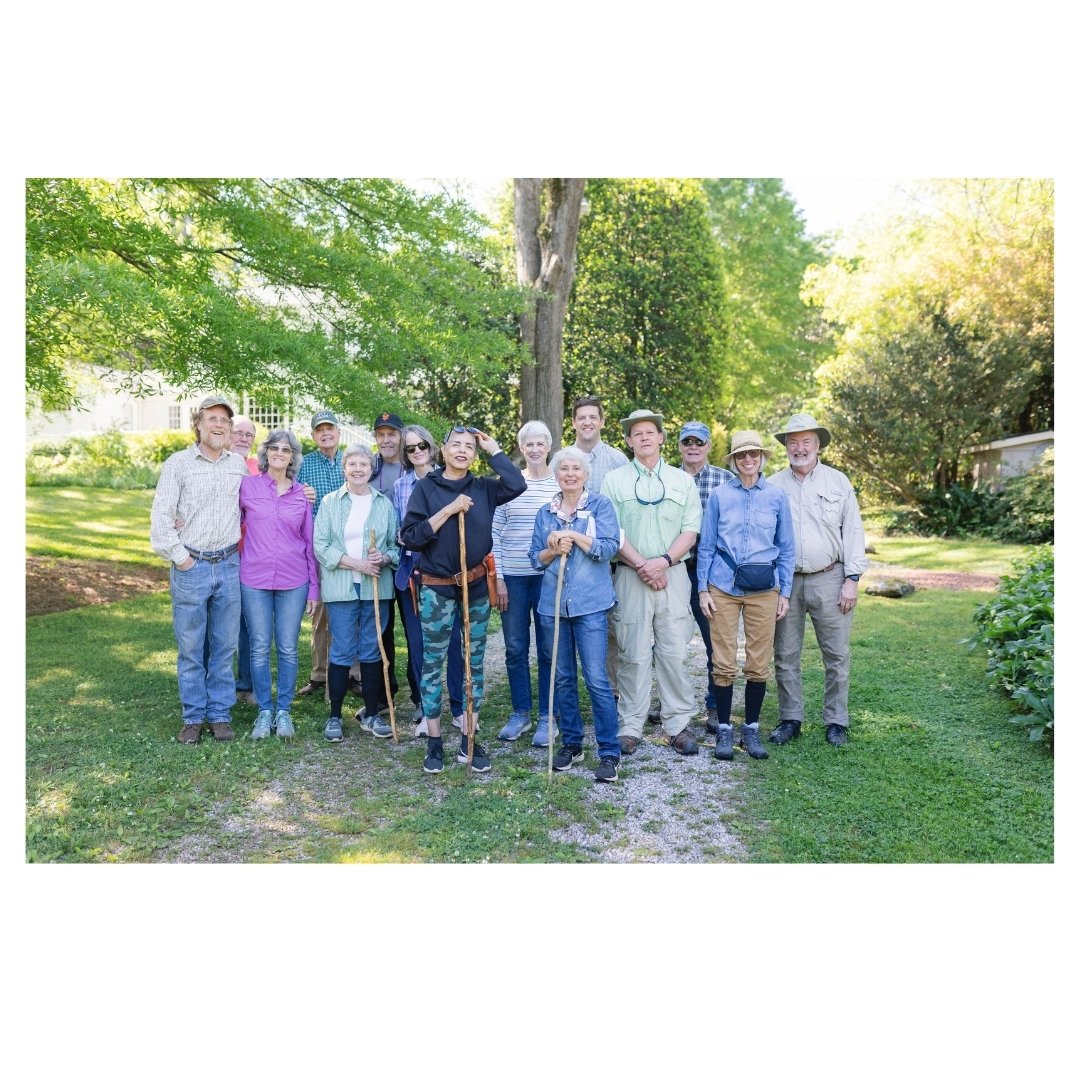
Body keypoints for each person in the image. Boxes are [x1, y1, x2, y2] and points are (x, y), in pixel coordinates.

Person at [400, 425, 527, 775]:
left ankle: (470, 738)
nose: (462, 450)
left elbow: (517, 484)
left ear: (474, 454)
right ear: (443, 450)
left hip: (474, 586)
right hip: (436, 587)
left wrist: (495, 449)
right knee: (433, 663)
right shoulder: (426, 488)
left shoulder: (484, 487)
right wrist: (447, 511)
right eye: (455, 444)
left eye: (469, 447)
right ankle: (435, 741)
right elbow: (410, 538)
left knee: (474, 662)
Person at [601, 408, 702, 757]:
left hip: (672, 575)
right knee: (633, 652)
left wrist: (663, 562)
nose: (643, 437)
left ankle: (677, 724)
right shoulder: (614, 481)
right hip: (630, 576)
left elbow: (691, 529)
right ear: (628, 442)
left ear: (660, 438)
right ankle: (630, 725)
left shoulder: (681, 481)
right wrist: (643, 564)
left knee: (674, 650)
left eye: (650, 432)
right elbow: (611, 531)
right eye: (636, 433)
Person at [150, 394, 247, 744]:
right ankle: (193, 716)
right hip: (192, 565)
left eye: (224, 420)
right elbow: (161, 517)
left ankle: (219, 714)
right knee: (191, 648)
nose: (218, 425)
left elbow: (261, 500)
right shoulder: (178, 464)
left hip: (229, 564)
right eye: (212, 419)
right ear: (198, 424)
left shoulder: (238, 464)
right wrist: (182, 558)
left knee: (223, 646)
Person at [767, 413, 868, 747]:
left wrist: (851, 578)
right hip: (786, 583)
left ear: (818, 445)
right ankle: (790, 718)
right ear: (786, 447)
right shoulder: (773, 485)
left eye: (806, 441)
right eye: (793, 442)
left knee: (836, 655)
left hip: (830, 577)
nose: (799, 448)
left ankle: (836, 721)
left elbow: (853, 531)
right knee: (785, 654)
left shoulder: (838, 482)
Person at [697, 431, 795, 761]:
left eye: (753, 454)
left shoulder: (777, 497)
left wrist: (785, 592)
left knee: (758, 662)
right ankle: (724, 728)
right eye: (741, 455)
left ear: (762, 457)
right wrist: (702, 588)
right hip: (722, 586)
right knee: (723, 662)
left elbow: (786, 548)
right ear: (734, 461)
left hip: (765, 590)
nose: (748, 460)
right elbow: (707, 545)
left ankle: (750, 728)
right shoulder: (720, 496)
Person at [529, 446, 621, 782]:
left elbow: (608, 548)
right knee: (562, 676)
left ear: (585, 474)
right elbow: (534, 559)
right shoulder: (545, 512)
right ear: (557, 474)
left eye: (575, 469)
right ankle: (571, 743)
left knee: (596, 678)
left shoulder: (600, 505)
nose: (570, 474)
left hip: (590, 605)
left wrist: (574, 535)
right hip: (552, 607)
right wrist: (553, 550)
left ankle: (609, 751)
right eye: (563, 469)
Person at [313, 445, 399, 743]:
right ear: (344, 468)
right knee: (342, 650)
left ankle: (372, 714)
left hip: (377, 586)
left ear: (371, 468)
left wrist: (384, 558)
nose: (358, 469)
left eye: (364, 463)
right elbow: (321, 546)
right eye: (353, 464)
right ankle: (335, 716)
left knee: (372, 649)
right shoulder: (330, 502)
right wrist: (358, 563)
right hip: (341, 586)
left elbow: (395, 547)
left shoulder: (384, 504)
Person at [239, 430, 320, 739]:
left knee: (287, 647)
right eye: (274, 448)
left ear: (292, 457)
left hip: (293, 579)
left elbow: (309, 542)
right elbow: (226, 519)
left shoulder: (303, 494)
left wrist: (313, 587)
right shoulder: (247, 487)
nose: (279, 453)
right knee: (259, 647)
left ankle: (283, 711)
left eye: (286, 449)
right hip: (254, 578)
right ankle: (264, 711)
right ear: (266, 453)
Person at [392, 423, 466, 737]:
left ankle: (460, 708)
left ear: (431, 447)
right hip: (414, 574)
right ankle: (427, 708)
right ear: (406, 454)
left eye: (422, 445)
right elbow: (401, 533)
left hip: (447, 572)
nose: (418, 452)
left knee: (452, 642)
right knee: (420, 644)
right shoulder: (400, 486)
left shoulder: (448, 479)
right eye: (411, 448)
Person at [492, 421, 560, 745]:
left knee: (549, 648)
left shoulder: (560, 485)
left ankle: (548, 717)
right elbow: (494, 535)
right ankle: (521, 713)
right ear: (521, 448)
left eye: (540, 444)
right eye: (528, 444)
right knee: (516, 647)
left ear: (549, 447)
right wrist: (500, 579)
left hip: (548, 578)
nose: (534, 449)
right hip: (514, 579)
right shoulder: (508, 484)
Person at [570, 394, 630, 704]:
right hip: (572, 561)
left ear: (602, 421)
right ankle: (568, 700)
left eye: (593, 417)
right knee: (571, 630)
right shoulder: (563, 458)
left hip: (609, 559)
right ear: (574, 422)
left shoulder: (618, 460)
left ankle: (613, 696)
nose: (588, 422)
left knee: (612, 631)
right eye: (582, 417)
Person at [677, 420, 734, 734]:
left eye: (699, 442)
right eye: (688, 442)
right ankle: (674, 702)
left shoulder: (725, 480)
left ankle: (715, 705)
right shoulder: (668, 478)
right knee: (669, 638)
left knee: (715, 640)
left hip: (711, 574)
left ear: (709, 446)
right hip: (675, 568)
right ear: (680, 446)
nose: (693, 447)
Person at [201, 414, 260, 704]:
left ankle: (246, 684)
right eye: (238, 432)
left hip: (249, 555)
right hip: (217, 555)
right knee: (214, 622)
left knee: (247, 623)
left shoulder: (258, 469)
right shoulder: (216, 463)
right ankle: (207, 682)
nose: (243, 438)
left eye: (249, 435)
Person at [296, 409, 344, 698]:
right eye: (319, 430)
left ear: (338, 432)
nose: (325, 434)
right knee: (320, 613)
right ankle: (319, 674)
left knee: (349, 612)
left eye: (330, 429)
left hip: (349, 548)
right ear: (314, 435)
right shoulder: (304, 464)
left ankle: (350, 673)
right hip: (317, 547)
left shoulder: (352, 460)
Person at [369, 411, 405, 709]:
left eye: (391, 433)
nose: (386, 439)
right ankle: (384, 694)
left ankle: (421, 696)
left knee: (414, 629)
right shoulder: (370, 468)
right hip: (377, 561)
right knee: (382, 629)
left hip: (408, 560)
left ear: (401, 435)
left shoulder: (413, 467)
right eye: (381, 434)